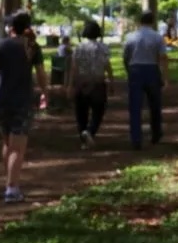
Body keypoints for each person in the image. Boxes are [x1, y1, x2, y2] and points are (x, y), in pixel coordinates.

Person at [0, 11, 49, 203]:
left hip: (0, 101)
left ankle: (9, 182)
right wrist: (45, 92)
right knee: (17, 147)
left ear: (10, 28)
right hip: (22, 101)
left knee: (7, 142)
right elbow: (41, 74)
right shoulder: (32, 47)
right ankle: (12, 188)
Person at [122, 11, 168, 150]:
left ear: (139, 22)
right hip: (152, 69)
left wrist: (128, 70)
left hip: (135, 69)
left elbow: (125, 56)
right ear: (153, 21)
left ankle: (136, 138)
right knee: (155, 104)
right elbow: (163, 58)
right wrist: (165, 77)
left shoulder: (130, 37)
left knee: (135, 106)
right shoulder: (157, 37)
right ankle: (156, 133)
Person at [68, 20, 112, 149]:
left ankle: (83, 137)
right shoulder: (103, 48)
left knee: (81, 112)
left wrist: (70, 85)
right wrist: (111, 81)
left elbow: (74, 68)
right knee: (98, 110)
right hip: (98, 83)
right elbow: (107, 66)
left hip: (82, 83)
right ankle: (91, 131)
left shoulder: (78, 48)